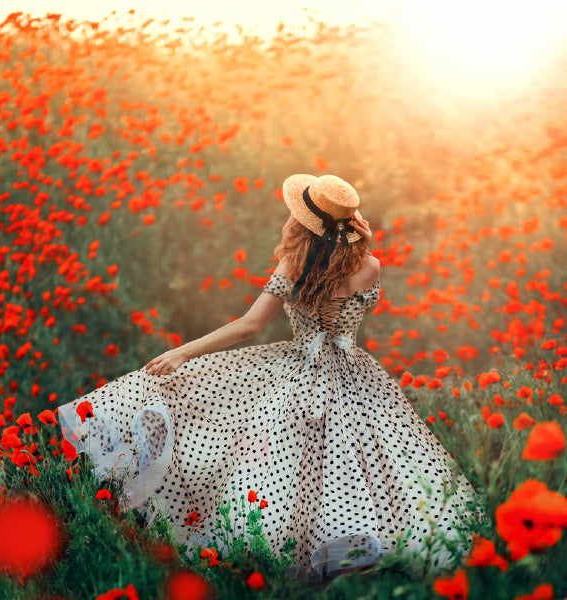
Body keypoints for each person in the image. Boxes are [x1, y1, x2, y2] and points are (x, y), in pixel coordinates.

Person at [57, 174, 484, 581]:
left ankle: (278, 558)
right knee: (356, 469)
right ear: (350, 222)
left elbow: (247, 326)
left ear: (304, 221)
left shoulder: (293, 267)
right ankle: (347, 547)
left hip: (296, 374)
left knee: (280, 469)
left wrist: (182, 352)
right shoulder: (369, 266)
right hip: (356, 378)